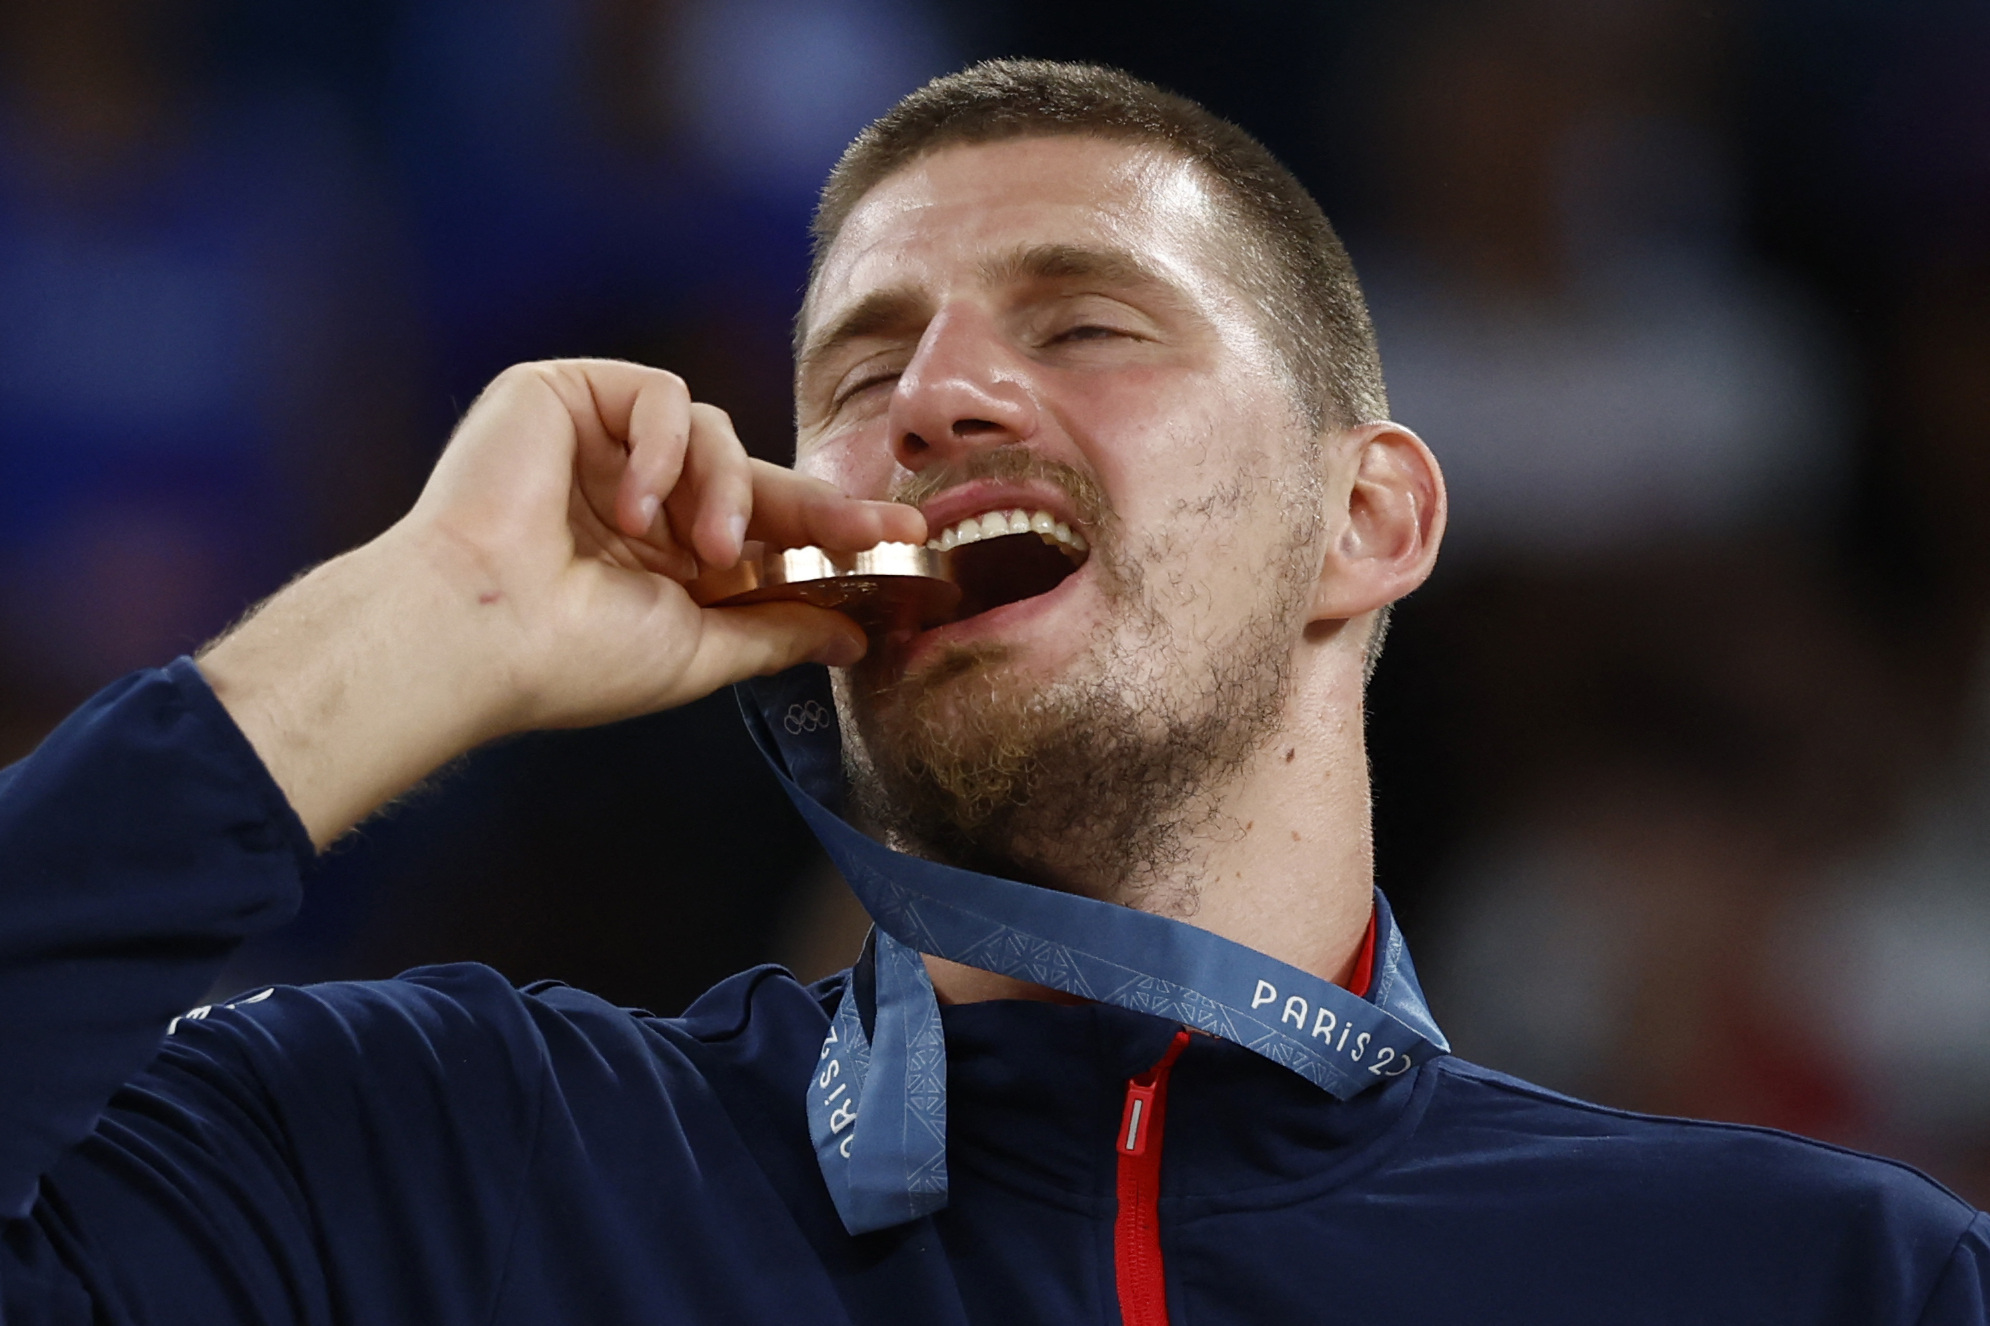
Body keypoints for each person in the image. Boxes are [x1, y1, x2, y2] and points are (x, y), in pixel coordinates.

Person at [1, 58, 1984, 1324]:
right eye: (856, 380)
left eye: (1088, 321)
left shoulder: (1807, 1278)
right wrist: (421, 620)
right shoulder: (430, 1172)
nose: (933, 397)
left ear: (1361, 519)